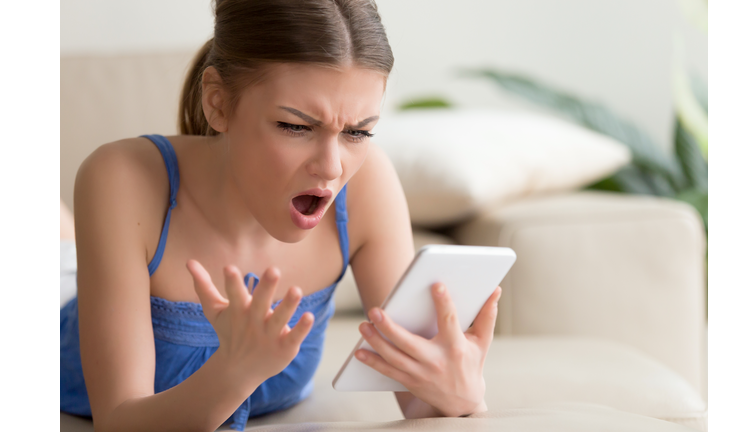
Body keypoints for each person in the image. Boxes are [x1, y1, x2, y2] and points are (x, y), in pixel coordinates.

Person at [60, 1, 502, 430]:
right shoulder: (121, 176)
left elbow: (418, 399)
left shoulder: (368, 185)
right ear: (217, 103)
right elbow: (119, 421)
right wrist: (233, 373)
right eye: (296, 127)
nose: (332, 168)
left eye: (358, 132)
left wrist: (462, 394)